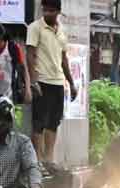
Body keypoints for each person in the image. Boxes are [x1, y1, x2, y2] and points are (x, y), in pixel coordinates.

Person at [26, 0, 78, 168]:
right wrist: (33, 80)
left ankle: (49, 159)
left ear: (58, 12)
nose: (47, 13)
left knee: (53, 122)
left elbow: (64, 59)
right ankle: (38, 161)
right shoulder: (35, 28)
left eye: (50, 11)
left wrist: (71, 83)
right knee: (39, 122)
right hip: (42, 81)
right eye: (45, 10)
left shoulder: (62, 31)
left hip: (58, 82)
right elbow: (30, 54)